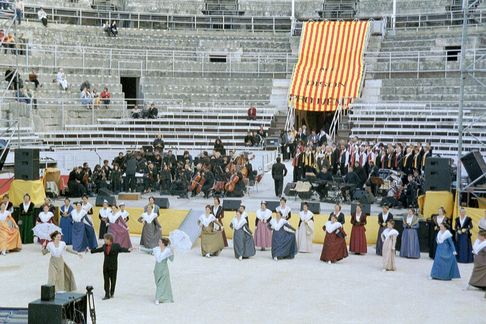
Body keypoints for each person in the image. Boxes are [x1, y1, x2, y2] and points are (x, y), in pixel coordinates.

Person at [90, 233, 131, 300]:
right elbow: (99, 250)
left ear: (109, 240)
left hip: (113, 267)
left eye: (105, 239)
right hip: (105, 266)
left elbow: (121, 249)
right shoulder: (104, 246)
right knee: (106, 281)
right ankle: (107, 294)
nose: (104, 241)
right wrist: (91, 251)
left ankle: (112, 292)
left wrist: (128, 250)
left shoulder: (116, 246)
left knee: (113, 280)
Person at [152, 238, 174, 304]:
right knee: (158, 283)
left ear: (163, 244)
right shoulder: (156, 249)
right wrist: (139, 249)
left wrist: (172, 252)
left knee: (161, 285)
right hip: (157, 269)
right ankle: (162, 297)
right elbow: (149, 250)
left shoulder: (168, 251)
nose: (158, 242)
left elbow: (172, 259)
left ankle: (157, 298)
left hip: (164, 270)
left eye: (160, 241)